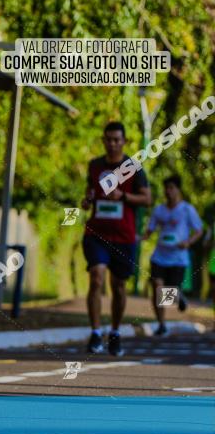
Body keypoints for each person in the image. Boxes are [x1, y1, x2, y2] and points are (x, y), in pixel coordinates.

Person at [81, 122, 152, 356]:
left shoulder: (133, 167)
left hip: (123, 236)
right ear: (103, 140)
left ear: (123, 141)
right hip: (97, 234)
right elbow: (91, 191)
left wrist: (123, 196)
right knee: (96, 277)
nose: (112, 144)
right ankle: (95, 333)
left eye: (116, 140)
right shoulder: (95, 165)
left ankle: (115, 332)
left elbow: (147, 199)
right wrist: (87, 201)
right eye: (108, 139)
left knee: (118, 287)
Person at [142, 175, 204, 336]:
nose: (168, 191)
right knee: (157, 287)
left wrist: (188, 242)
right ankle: (161, 324)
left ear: (178, 190)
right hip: (160, 256)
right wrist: (140, 236)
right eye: (166, 188)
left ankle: (178, 296)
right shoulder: (159, 210)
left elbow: (199, 230)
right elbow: (150, 230)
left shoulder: (187, 209)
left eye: (171, 188)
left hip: (178, 258)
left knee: (168, 292)